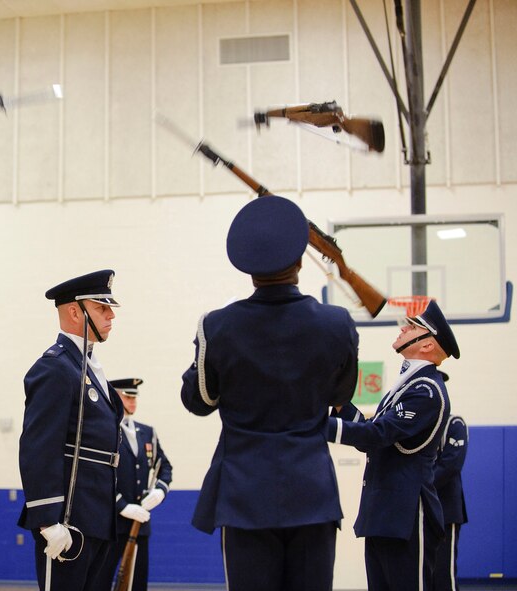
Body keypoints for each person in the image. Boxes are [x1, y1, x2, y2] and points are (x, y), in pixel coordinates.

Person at [180, 196, 359, 591]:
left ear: (248, 269)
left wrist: (206, 345)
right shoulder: (336, 323)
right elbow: (340, 394)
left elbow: (199, 401)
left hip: (244, 496)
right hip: (312, 494)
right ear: (299, 261)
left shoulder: (219, 326)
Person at [328, 300, 459, 590]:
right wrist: (336, 396)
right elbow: (370, 432)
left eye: (413, 327)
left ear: (427, 345)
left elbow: (378, 434)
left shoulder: (426, 390)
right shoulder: (407, 386)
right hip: (385, 512)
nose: (403, 328)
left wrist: (319, 428)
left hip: (408, 513)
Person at [18, 269, 124, 591]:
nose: (110, 316)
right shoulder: (55, 367)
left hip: (97, 515)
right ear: (75, 311)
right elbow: (39, 446)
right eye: (101, 308)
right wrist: (48, 519)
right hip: (69, 518)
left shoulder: (86, 367)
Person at [95, 378, 173, 591]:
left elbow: (164, 467)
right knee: (102, 579)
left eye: (134, 397)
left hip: (140, 523)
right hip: (112, 523)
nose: (133, 401)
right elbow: (99, 476)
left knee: (138, 580)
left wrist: (160, 491)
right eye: (128, 396)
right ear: (116, 397)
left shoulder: (147, 433)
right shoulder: (105, 431)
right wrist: (122, 506)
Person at [432, 374, 468, 591]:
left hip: (445, 510)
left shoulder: (454, 423)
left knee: (443, 574)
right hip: (419, 512)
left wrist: (418, 487)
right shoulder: (417, 425)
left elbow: (450, 466)